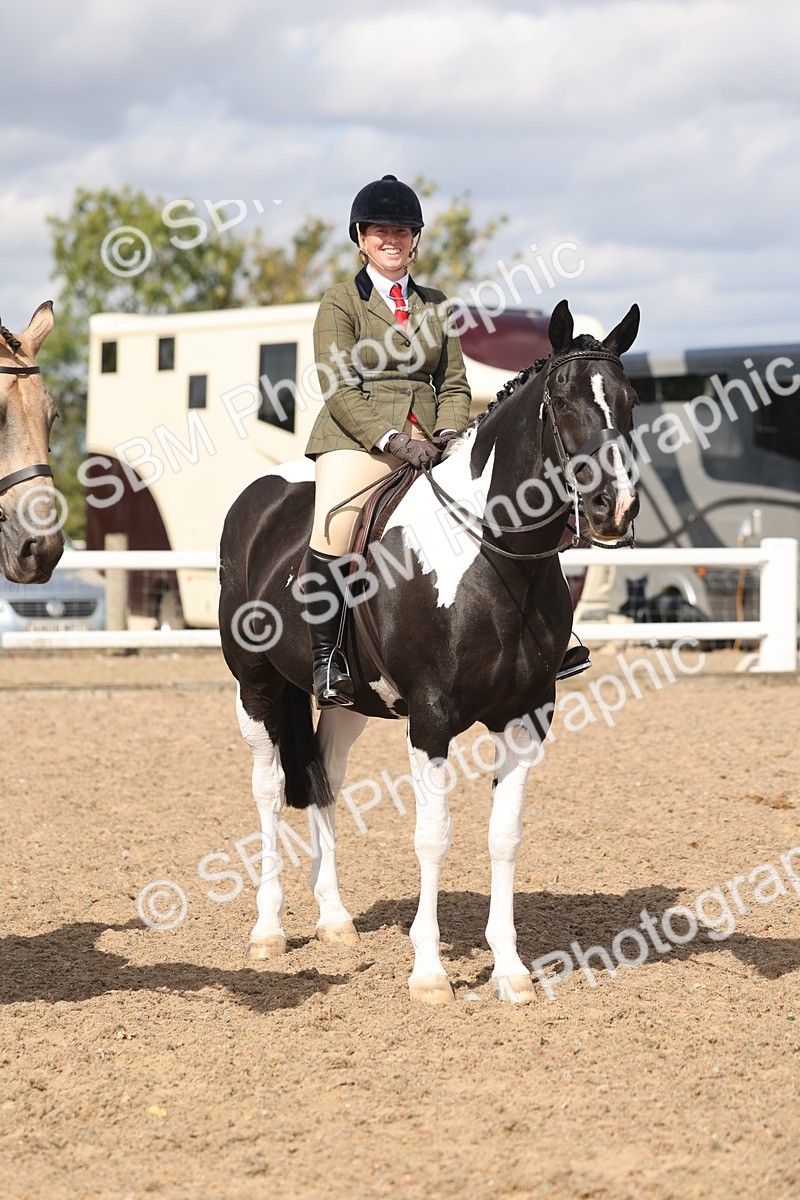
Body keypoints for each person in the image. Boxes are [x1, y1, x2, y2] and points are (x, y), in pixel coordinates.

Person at [303, 174, 471, 707]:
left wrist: (446, 433)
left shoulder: (437, 304)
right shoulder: (339, 303)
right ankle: (327, 657)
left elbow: (454, 382)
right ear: (362, 238)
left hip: (432, 437)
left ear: (415, 239)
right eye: (381, 231)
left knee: (501, 499)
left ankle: (540, 636)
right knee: (336, 524)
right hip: (359, 436)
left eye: (402, 230)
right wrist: (393, 440)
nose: (391, 240)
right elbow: (337, 385)